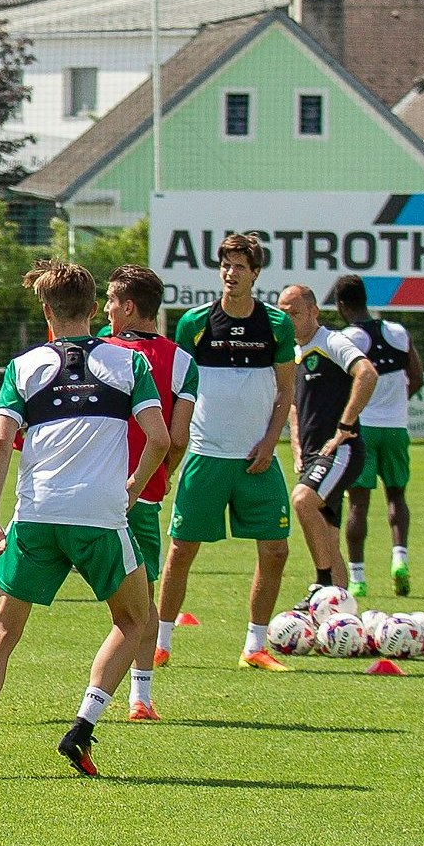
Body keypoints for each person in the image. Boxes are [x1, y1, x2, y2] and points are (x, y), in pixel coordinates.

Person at [0, 260, 167, 777]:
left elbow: (0, 444)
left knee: (4, 630)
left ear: (47, 312)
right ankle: (82, 727)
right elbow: (160, 439)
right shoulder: (129, 364)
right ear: (94, 309)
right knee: (134, 620)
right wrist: (133, 487)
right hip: (99, 517)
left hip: (37, 514)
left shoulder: (23, 366)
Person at [161, 234, 300, 676]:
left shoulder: (277, 324)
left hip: (257, 460)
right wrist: (174, 446)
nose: (230, 273)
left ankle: (255, 646)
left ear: (255, 273)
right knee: (182, 550)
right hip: (205, 455)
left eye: (240, 266)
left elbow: (285, 391)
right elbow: (180, 389)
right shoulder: (194, 322)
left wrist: (271, 442)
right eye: (226, 265)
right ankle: (160, 643)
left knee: (275, 551)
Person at [97, 265, 190, 723]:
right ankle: (141, 697)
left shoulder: (98, 349)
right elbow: (178, 437)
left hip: (88, 490)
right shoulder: (182, 360)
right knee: (142, 598)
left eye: (112, 301)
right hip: (141, 497)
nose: (106, 309)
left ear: (129, 307)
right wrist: (160, 475)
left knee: (24, 588)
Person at [277, 280, 379, 619]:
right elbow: (294, 405)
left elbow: (367, 374)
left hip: (341, 451)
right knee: (329, 539)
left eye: (294, 313)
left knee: (302, 500)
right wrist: (296, 448)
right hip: (313, 456)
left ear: (313, 311)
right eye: (282, 313)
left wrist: (345, 426)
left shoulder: (331, 342)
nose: (288, 320)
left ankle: (321, 586)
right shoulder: (292, 352)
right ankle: (342, 618)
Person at [341, 276, 424, 595]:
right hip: (396, 428)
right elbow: (417, 377)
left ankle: (358, 579)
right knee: (396, 495)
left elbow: (339, 383)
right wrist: (398, 404)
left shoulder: (348, 338)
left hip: (362, 428)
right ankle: (399, 559)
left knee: (357, 504)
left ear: (341, 304)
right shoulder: (399, 332)